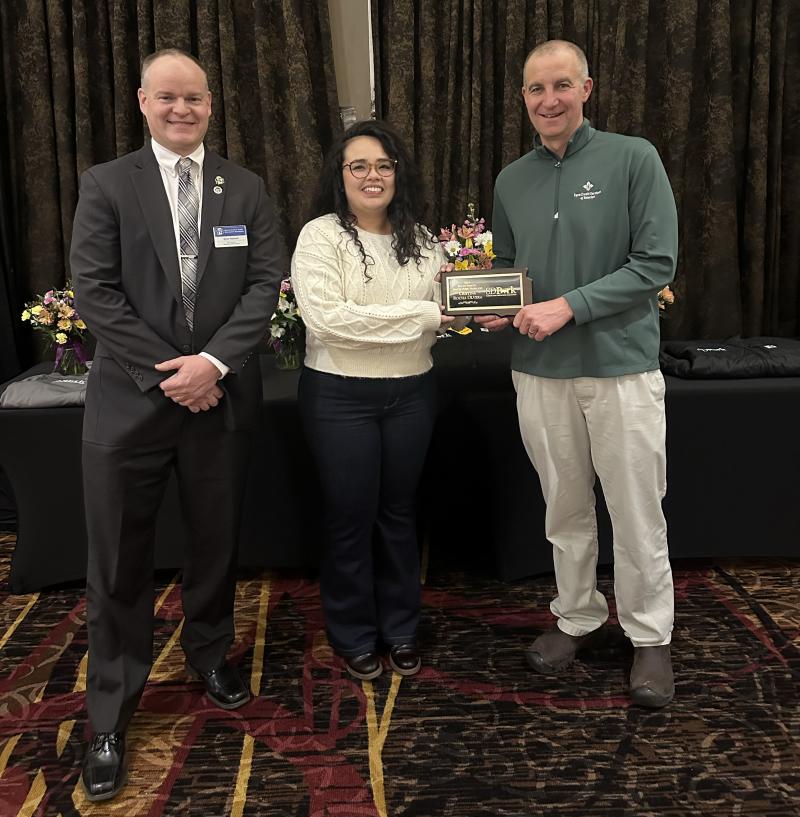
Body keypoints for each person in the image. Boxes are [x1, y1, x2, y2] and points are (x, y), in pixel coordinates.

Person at [70, 48, 285, 800]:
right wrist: (175, 372)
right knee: (119, 565)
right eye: (168, 98)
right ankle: (110, 710)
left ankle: (210, 652)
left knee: (213, 544)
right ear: (142, 101)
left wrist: (214, 366)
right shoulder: (106, 184)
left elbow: (265, 283)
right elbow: (94, 293)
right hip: (131, 406)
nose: (181, 110)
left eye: (193, 98)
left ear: (210, 103)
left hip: (218, 401)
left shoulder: (246, 187)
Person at [477, 40, 678, 707]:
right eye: (536, 89)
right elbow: (508, 266)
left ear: (587, 88)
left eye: (562, 85)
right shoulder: (511, 178)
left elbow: (656, 264)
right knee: (564, 506)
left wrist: (571, 306)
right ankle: (578, 615)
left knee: (635, 508)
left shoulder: (633, 157)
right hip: (538, 372)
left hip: (621, 367)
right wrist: (497, 310)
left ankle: (650, 636)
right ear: (525, 100)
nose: (549, 100)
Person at [291, 119, 456, 681]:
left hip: (412, 392)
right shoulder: (319, 237)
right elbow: (329, 323)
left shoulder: (426, 241)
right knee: (349, 517)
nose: (372, 175)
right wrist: (424, 316)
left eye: (383, 165)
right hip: (339, 395)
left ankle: (402, 628)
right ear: (340, 176)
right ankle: (354, 632)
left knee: (399, 514)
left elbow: (439, 324)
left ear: (397, 174)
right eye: (358, 165)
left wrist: (440, 318)